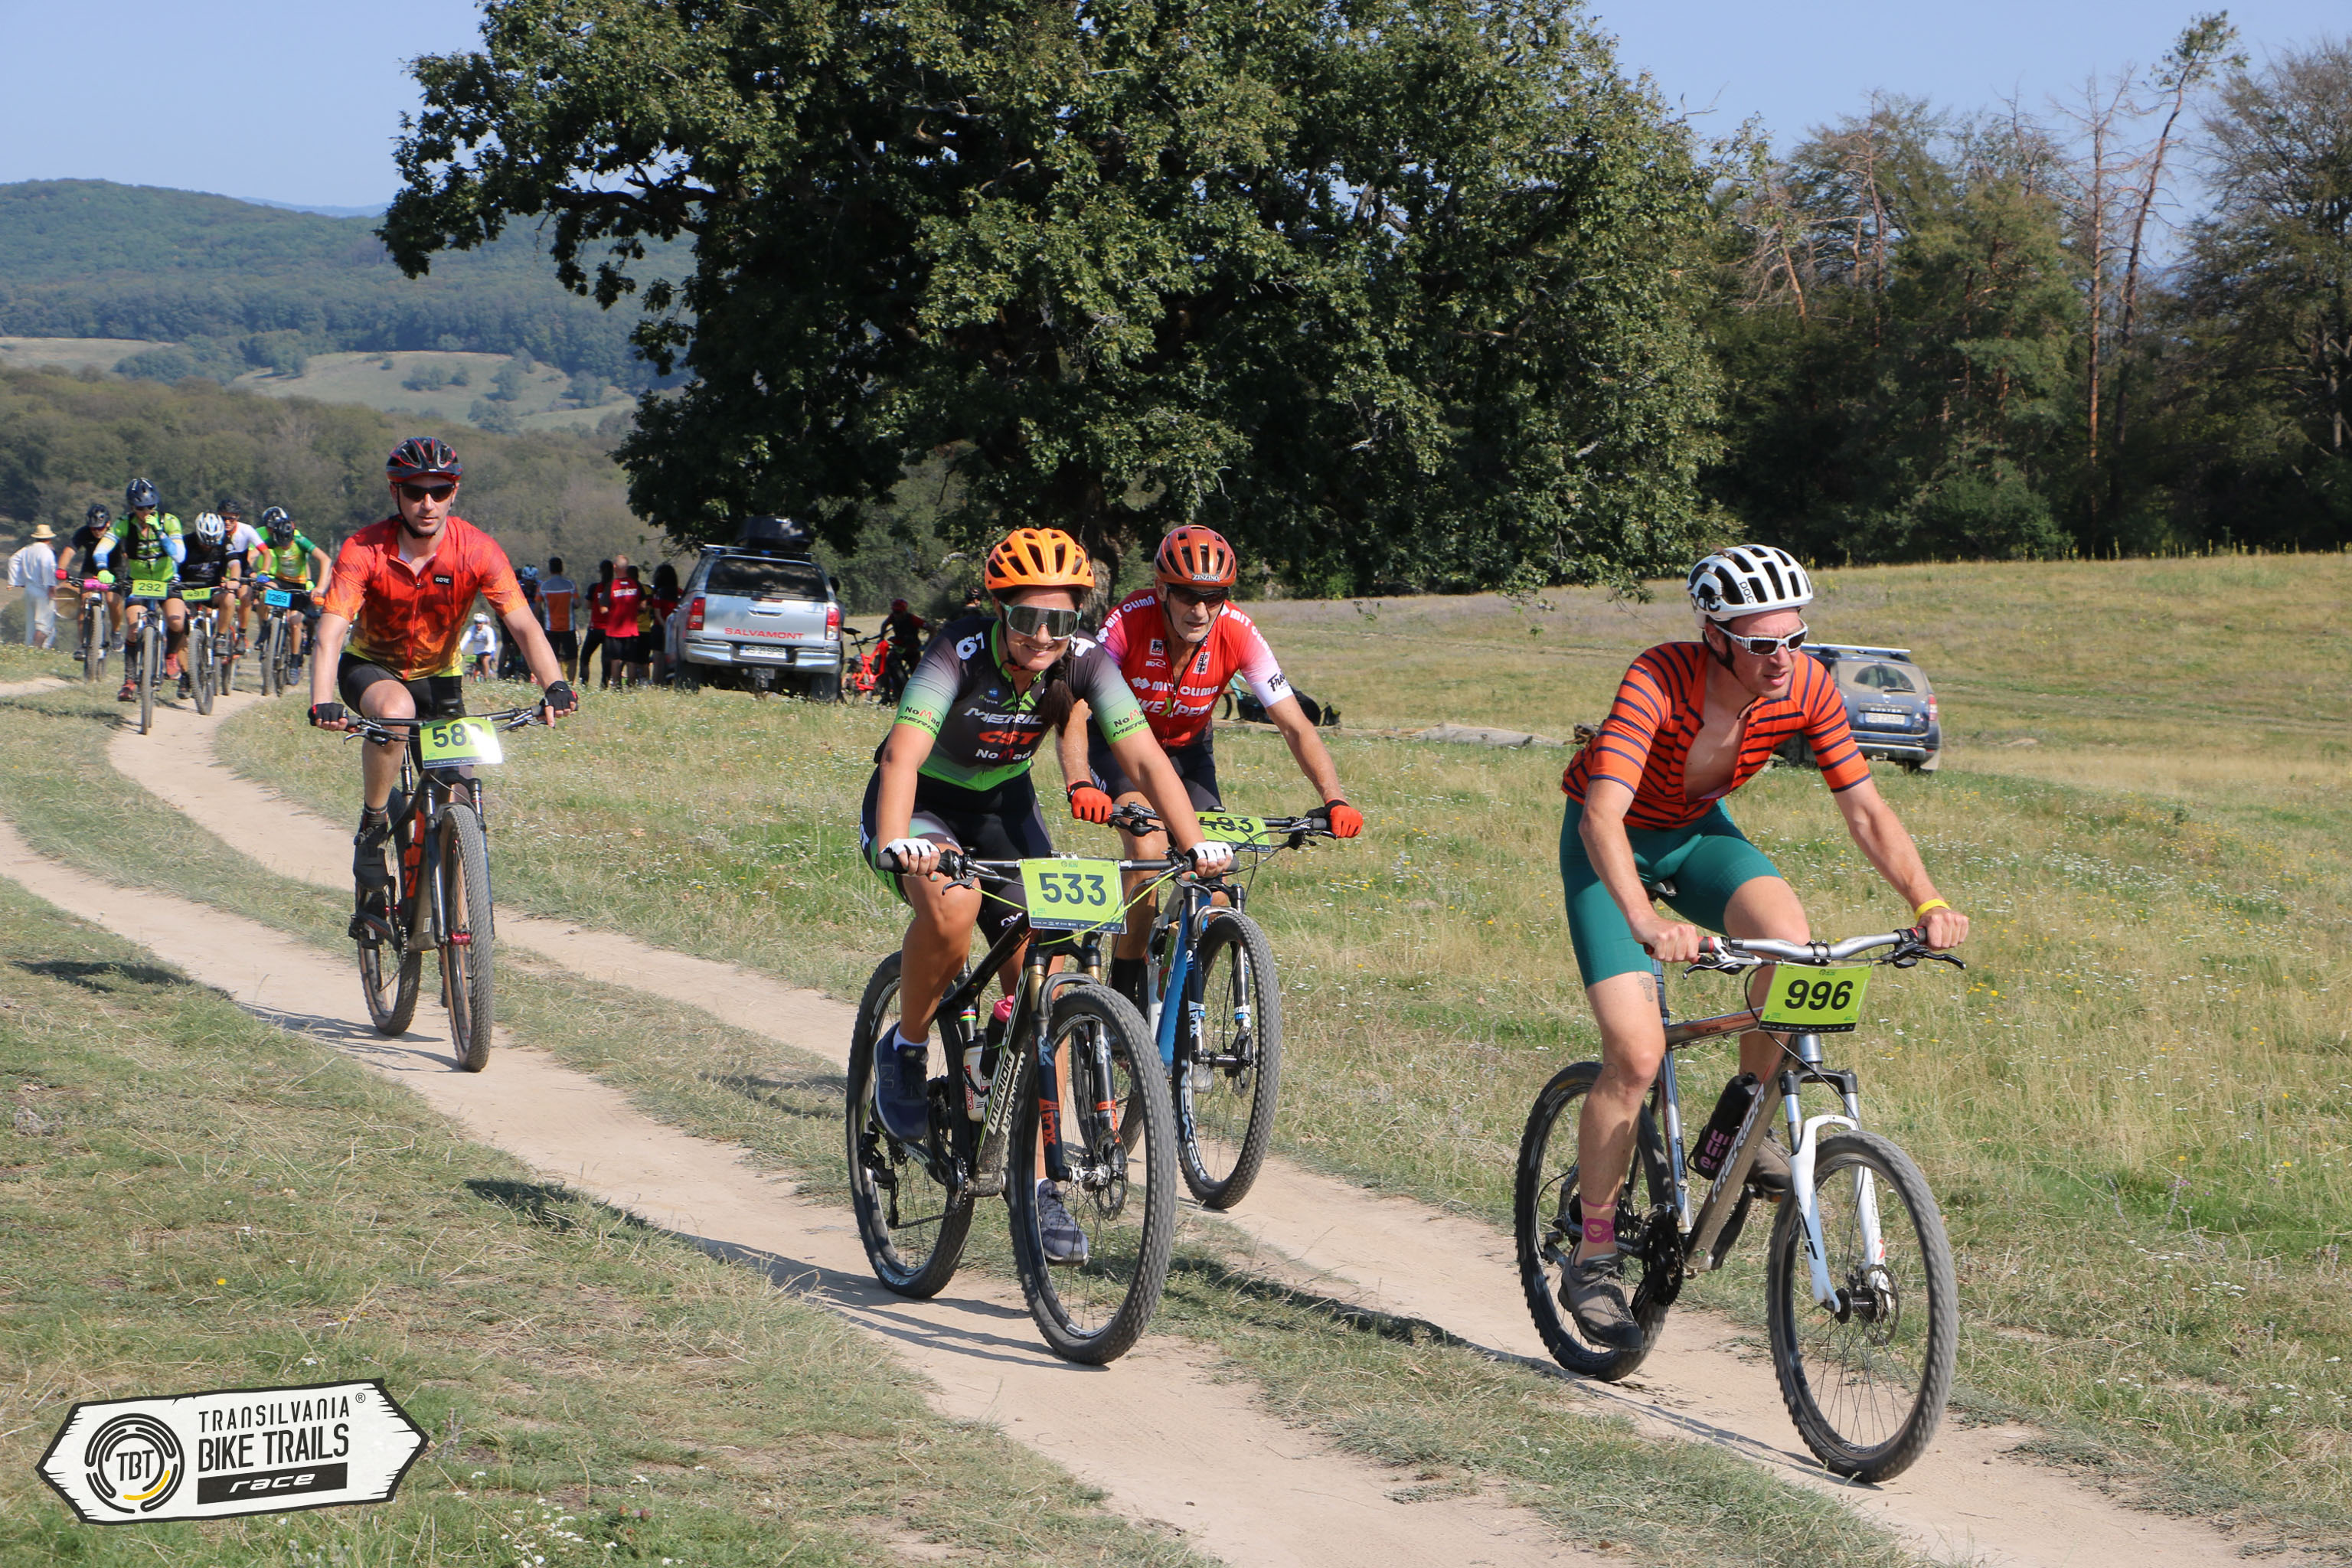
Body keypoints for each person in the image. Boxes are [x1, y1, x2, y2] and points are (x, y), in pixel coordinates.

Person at [1553, 544, 1968, 1351]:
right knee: (1635, 1055)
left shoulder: (1805, 687)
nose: (1783, 658)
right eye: (1761, 643)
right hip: (1609, 848)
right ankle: (1592, 1253)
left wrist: (1927, 900)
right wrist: (1645, 922)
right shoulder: (1658, 679)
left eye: (1794, 639)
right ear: (1715, 637)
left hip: (1697, 835)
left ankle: (1741, 1125)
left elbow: (1866, 809)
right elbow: (1602, 816)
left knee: (1794, 947)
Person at [860, 527, 1235, 1263]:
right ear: (999, 610)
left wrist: (1193, 844)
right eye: (1027, 617)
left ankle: (1039, 1187)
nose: (1041, 635)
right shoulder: (958, 650)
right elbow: (903, 753)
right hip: (921, 804)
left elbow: (1144, 758)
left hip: (1003, 809)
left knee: (1043, 985)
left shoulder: (1086, 661)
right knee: (956, 905)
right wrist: (899, 838)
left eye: (1058, 620)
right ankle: (904, 1047)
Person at [1057, 525, 1363, 1008]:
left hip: (1188, 752)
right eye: (1187, 595)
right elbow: (1076, 705)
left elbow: (1295, 725)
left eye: (1214, 597)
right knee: (1148, 846)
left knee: (1215, 883)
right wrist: (1079, 781)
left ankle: (1177, 998)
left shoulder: (1237, 631)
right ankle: (1123, 994)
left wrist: (1334, 797)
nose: (1199, 610)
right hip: (1119, 748)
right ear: (1162, 589)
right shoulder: (1129, 621)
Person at [305, 437, 575, 943]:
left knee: (460, 793)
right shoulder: (364, 548)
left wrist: (556, 684)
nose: (426, 503)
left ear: (454, 493)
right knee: (395, 711)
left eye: (439, 491)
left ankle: (455, 917)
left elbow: (522, 624)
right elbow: (331, 632)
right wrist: (322, 699)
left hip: (440, 677)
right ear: (396, 494)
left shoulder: (477, 550)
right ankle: (373, 826)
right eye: (414, 492)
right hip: (372, 667)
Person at [92, 479, 186, 702]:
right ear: (132, 507)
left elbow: (179, 556)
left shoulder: (170, 522)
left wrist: (159, 532)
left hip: (166, 580)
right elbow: (101, 549)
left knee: (177, 622)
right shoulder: (123, 523)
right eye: (140, 508)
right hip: (138, 581)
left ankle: (171, 655)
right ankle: (129, 681)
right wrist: (103, 568)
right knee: (134, 630)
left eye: (151, 507)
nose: (146, 512)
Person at [172, 512, 242, 696]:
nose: (207, 547)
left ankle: (220, 637)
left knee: (229, 597)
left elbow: (235, 563)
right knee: (181, 628)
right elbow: (173, 565)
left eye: (212, 543)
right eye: (204, 542)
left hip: (212, 590)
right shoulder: (185, 542)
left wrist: (234, 579)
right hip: (187, 590)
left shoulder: (225, 542)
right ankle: (186, 676)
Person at [259, 508, 326, 676]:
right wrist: (258, 574)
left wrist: (320, 587)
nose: (284, 546)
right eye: (280, 544)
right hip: (281, 582)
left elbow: (325, 559)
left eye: (287, 543)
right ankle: (265, 629)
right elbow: (254, 553)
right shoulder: (273, 539)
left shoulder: (300, 541)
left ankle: (295, 661)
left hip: (299, 586)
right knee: (265, 592)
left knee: (295, 622)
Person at [61, 504, 118, 662]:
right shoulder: (83, 533)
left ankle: (116, 632)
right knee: (84, 603)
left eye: (101, 528)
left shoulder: (116, 533)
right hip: (90, 569)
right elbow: (69, 551)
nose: (97, 531)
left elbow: (127, 555)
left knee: (113, 600)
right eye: (93, 528)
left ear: (108, 524)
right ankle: (84, 645)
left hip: (113, 570)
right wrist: (61, 569)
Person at [9, 524, 58, 648]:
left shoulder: (27, 549)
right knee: (44, 626)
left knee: (31, 624)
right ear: (49, 538)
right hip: (42, 591)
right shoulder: (47, 552)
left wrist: (18, 581)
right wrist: (51, 586)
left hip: (29, 589)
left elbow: (13, 560)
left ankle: (29, 649)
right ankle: (37, 649)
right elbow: (47, 568)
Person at [226, 506, 266, 655]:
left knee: (246, 595)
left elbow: (265, 553)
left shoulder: (246, 530)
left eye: (231, 519)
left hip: (242, 570)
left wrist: (264, 573)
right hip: (220, 569)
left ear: (237, 517)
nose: (227, 522)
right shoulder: (215, 528)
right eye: (224, 518)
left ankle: (242, 635)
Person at [600, 560, 642, 688]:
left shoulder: (611, 585)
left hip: (614, 631)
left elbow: (603, 609)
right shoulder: (635, 584)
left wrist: (614, 612)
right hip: (631, 630)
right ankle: (632, 687)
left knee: (615, 660)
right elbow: (643, 606)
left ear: (615, 567)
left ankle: (617, 687)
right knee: (631, 661)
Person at [879, 597, 927, 701]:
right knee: (888, 665)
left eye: (899, 612)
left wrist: (927, 644)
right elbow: (884, 625)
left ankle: (918, 697)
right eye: (894, 612)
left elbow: (932, 629)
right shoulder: (892, 617)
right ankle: (889, 695)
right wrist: (881, 638)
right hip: (899, 648)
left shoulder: (913, 619)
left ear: (905, 611)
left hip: (912, 650)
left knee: (917, 676)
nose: (896, 614)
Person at [539, 557, 578, 680]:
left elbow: (537, 609)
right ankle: (570, 682)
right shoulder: (571, 585)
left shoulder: (543, 587)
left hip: (550, 628)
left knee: (553, 658)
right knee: (572, 658)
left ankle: (556, 681)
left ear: (550, 570)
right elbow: (577, 604)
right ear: (562, 569)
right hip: (568, 627)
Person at [579, 559, 616, 682]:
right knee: (606, 660)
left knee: (585, 657)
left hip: (595, 628)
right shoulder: (615, 589)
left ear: (600, 572)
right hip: (610, 629)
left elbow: (588, 605)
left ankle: (584, 683)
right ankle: (604, 685)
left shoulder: (594, 587)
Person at [645, 562, 679, 685]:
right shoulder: (680, 593)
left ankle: (656, 683)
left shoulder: (658, 593)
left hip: (660, 629)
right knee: (672, 660)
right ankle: (669, 683)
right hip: (676, 630)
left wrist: (665, 627)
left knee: (658, 659)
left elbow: (657, 613)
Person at [460, 611, 499, 680]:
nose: (478, 625)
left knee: (485, 660)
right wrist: (459, 650)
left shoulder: (488, 630)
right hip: (477, 652)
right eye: (476, 623)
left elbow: (491, 642)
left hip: (488, 651)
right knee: (470, 662)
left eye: (480, 623)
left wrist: (487, 651)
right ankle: (473, 679)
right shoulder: (471, 629)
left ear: (483, 623)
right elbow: (465, 640)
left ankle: (486, 679)